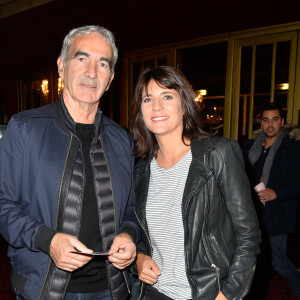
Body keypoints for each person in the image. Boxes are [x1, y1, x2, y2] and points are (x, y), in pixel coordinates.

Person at [0, 25, 140, 300]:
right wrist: (48, 240)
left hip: (110, 289)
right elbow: (3, 204)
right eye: (81, 58)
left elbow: (131, 209)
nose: (91, 72)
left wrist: (128, 234)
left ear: (110, 78)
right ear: (62, 67)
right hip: (43, 288)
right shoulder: (25, 128)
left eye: (103, 63)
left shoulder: (122, 139)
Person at [129, 66, 261, 300]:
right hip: (153, 293)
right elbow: (141, 235)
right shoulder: (141, 170)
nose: (156, 107)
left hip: (208, 293)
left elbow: (248, 235)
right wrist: (139, 258)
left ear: (184, 104)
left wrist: (228, 294)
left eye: (167, 96)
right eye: (148, 99)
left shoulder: (219, 154)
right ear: (141, 109)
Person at [246, 102, 300, 299]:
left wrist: (276, 193)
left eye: (275, 119)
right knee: (251, 261)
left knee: (278, 262)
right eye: (266, 120)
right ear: (260, 122)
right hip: (251, 213)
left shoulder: (292, 148)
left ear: (282, 122)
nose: (270, 125)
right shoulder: (251, 147)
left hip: (276, 215)